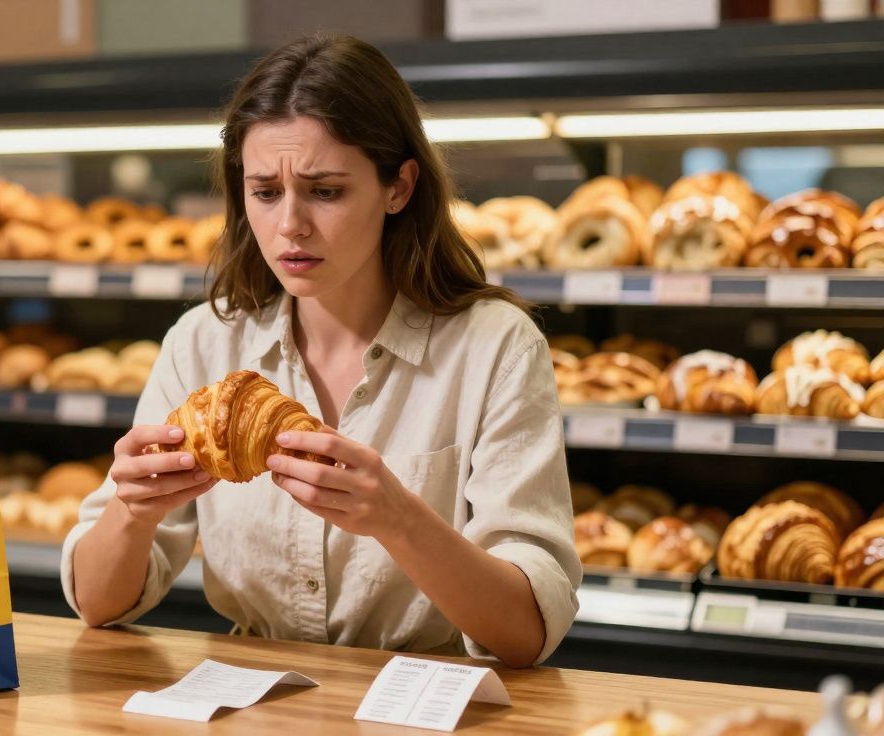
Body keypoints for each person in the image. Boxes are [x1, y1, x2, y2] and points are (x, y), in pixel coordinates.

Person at [61, 34, 579, 668]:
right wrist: (132, 514)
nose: (290, 226)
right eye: (265, 192)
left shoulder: (494, 347)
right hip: (255, 702)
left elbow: (526, 633)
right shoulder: (202, 343)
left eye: (326, 191)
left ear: (399, 187)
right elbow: (97, 605)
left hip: (430, 701)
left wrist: (398, 519)